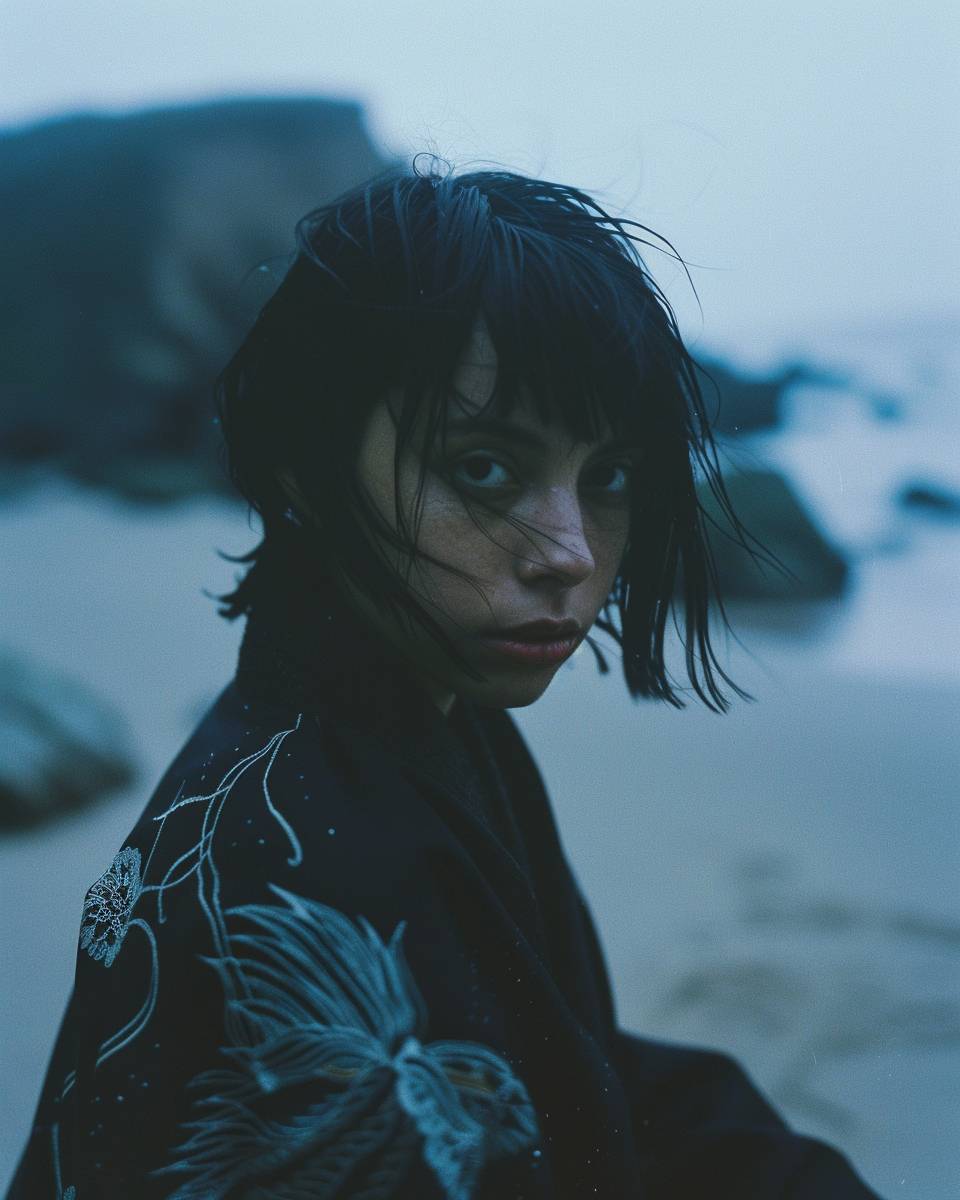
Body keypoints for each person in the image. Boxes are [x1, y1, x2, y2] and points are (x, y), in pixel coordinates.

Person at [6, 162, 882, 1198]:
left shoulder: (404, 721)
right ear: (305, 459)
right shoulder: (298, 864)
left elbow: (567, 1064)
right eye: (482, 468)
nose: (569, 551)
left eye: (608, 476)